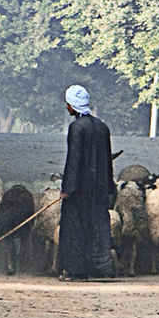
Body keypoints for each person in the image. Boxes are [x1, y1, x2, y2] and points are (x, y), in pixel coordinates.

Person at [58, 84, 117, 280]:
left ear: (73, 106)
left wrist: (67, 188)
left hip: (80, 190)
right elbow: (107, 160)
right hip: (99, 189)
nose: (67, 108)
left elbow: (74, 160)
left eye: (68, 104)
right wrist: (110, 187)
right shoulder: (102, 127)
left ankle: (77, 271)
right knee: (98, 226)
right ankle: (100, 266)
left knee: (75, 227)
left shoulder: (76, 128)